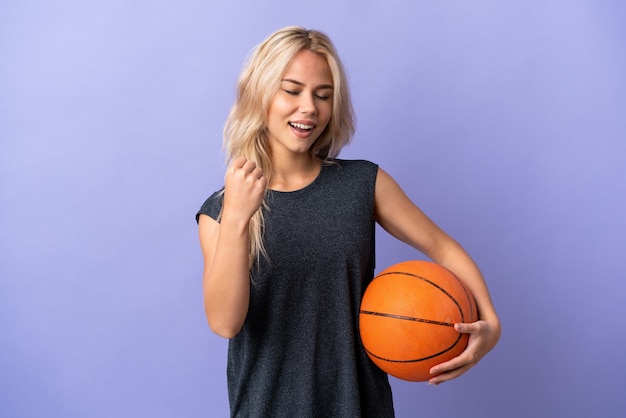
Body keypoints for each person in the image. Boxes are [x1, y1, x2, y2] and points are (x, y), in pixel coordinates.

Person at [196, 26, 501, 417]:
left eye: (323, 95)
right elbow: (224, 323)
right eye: (292, 91)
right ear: (260, 94)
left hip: (360, 407)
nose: (309, 107)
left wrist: (490, 322)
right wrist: (238, 216)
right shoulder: (221, 210)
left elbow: (441, 247)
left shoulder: (362, 183)